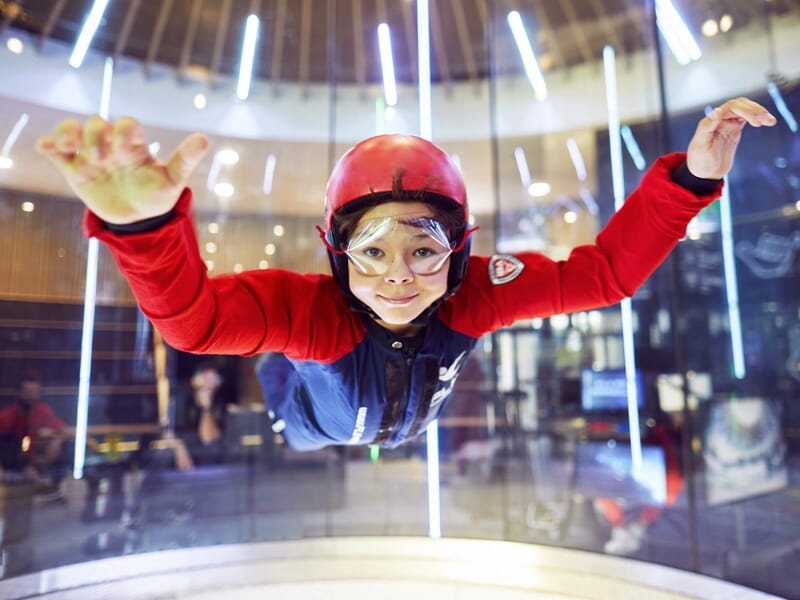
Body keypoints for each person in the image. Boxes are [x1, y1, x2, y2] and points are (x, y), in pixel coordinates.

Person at [35, 98, 776, 451]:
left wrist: (692, 180)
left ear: (457, 253)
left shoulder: (476, 295)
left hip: (402, 420)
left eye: (423, 251)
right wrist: (146, 228)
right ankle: (276, 367)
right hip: (309, 421)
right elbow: (190, 323)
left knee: (296, 360)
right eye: (373, 253)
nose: (398, 277)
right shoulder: (314, 312)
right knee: (281, 377)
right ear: (337, 255)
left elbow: (608, 274)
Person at [0, 370, 67, 494]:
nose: (31, 397)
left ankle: (55, 487)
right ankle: (38, 484)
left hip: (34, 458)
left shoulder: (41, 411)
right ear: (19, 393)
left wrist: (56, 442)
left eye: (35, 393)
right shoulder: (6, 416)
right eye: (27, 393)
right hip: (12, 460)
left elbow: (63, 430)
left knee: (63, 447)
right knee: (10, 443)